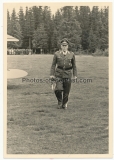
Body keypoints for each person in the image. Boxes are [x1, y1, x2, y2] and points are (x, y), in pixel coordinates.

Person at [50, 38, 77, 109]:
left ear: (67, 46)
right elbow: (53, 65)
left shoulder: (71, 54)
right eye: (63, 45)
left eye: (65, 45)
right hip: (58, 74)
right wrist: (52, 74)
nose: (64, 47)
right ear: (61, 46)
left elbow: (74, 65)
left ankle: (64, 104)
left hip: (68, 74)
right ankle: (60, 101)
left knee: (66, 91)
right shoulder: (57, 54)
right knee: (58, 89)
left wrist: (75, 75)